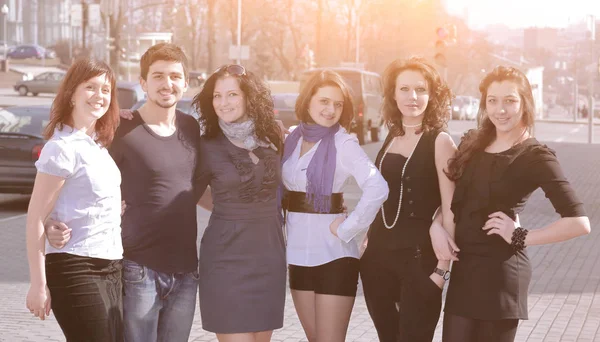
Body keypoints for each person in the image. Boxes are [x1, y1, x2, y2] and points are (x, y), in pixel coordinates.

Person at [46, 43, 202, 342]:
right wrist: (49, 221)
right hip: (137, 269)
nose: (166, 84)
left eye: (174, 76)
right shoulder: (117, 129)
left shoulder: (191, 127)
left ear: (185, 82)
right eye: (157, 76)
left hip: (185, 272)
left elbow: (192, 186)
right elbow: (69, 175)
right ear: (143, 82)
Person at [442, 66, 591, 342]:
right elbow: (455, 198)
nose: (501, 110)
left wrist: (521, 235)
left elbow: (580, 222)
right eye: (493, 100)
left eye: (510, 100)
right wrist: (434, 226)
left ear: (524, 103)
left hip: (500, 275)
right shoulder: (473, 144)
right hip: (465, 271)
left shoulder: (535, 156)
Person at [280, 69, 388, 342]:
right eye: (324, 101)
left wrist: (348, 228)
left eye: (337, 104)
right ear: (308, 101)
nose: (331, 110)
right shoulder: (291, 138)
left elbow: (378, 187)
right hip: (298, 254)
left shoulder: (343, 142)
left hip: (334, 255)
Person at [359, 56, 457, 342]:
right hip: (377, 261)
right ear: (393, 93)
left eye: (420, 89)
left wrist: (442, 271)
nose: (412, 97)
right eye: (404, 89)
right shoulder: (391, 136)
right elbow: (381, 194)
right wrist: (366, 236)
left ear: (432, 95)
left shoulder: (441, 141)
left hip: (420, 262)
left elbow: (451, 207)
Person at [25, 57, 123, 341]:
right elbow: (35, 219)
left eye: (106, 89)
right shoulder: (61, 148)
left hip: (112, 264)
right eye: (91, 87)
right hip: (76, 267)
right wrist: (38, 284)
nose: (100, 96)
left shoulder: (97, 146)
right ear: (71, 93)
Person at [192, 64, 286, 342]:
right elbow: (188, 191)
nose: (224, 103)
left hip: (269, 256)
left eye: (232, 94)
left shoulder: (273, 137)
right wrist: (228, 206)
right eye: (217, 96)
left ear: (248, 97)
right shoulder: (206, 145)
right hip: (226, 258)